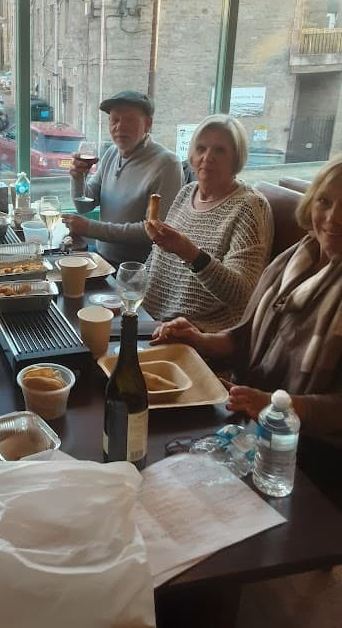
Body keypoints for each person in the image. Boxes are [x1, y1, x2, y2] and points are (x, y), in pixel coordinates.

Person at [152, 155, 342, 497]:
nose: (333, 218)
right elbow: (245, 337)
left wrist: (280, 405)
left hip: (308, 458)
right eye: (325, 201)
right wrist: (199, 339)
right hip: (247, 424)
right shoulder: (298, 256)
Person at [143, 115, 273, 332]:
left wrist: (192, 254)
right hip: (150, 319)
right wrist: (128, 290)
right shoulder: (186, 193)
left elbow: (242, 293)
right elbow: (156, 261)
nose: (207, 157)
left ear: (236, 158)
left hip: (198, 333)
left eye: (220, 150)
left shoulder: (249, 206)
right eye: (201, 148)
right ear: (192, 155)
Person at [62, 91, 183, 266]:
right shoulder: (112, 153)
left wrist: (90, 228)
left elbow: (155, 231)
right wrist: (78, 178)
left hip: (136, 270)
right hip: (101, 259)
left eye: (129, 120)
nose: (120, 126)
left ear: (148, 124)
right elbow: (84, 205)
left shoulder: (167, 164)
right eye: (114, 119)